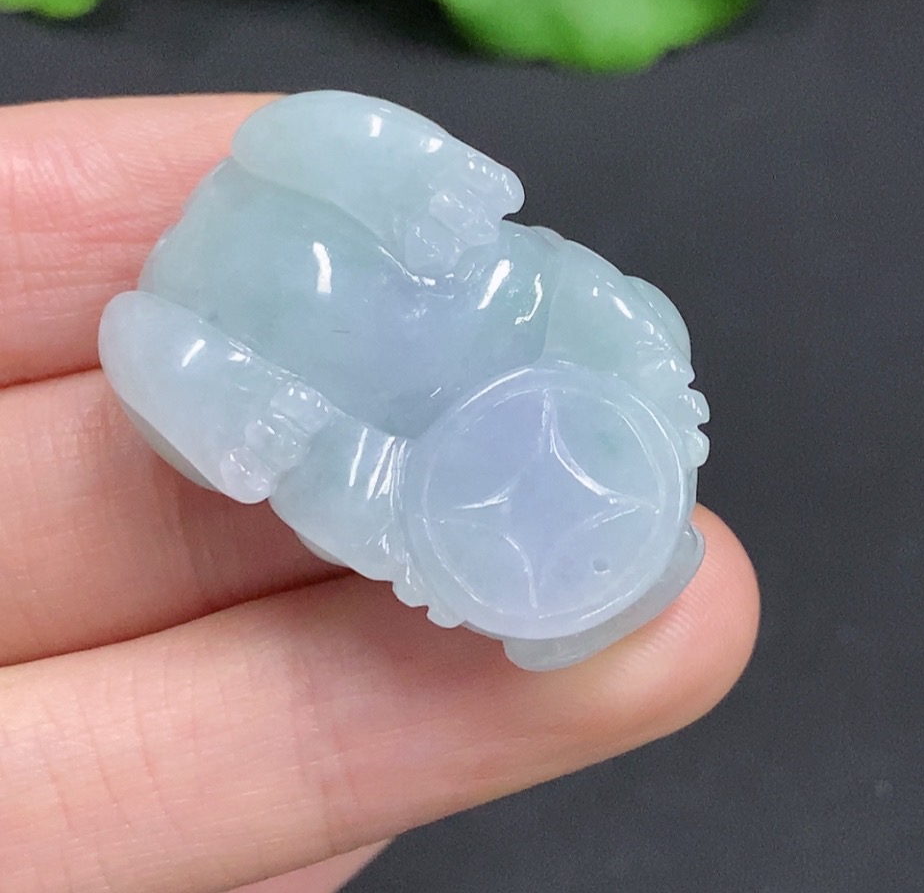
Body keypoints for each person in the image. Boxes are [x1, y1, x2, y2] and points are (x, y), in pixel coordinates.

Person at [0, 95, 760, 893]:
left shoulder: (393, 494)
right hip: (407, 291)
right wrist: (421, 183)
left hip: (316, 377)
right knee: (162, 310)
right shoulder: (590, 345)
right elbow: (592, 302)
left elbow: (337, 487)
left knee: (159, 351)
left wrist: (282, 441)